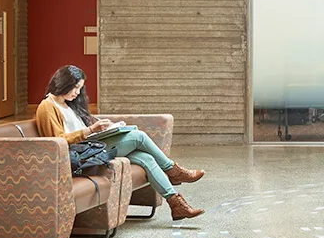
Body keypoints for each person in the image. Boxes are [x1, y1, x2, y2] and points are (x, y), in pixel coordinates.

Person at [34, 65, 206, 220]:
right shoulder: (47, 106)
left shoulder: (68, 104)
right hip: (80, 155)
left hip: (91, 147)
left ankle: (176, 204)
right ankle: (173, 170)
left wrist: (104, 128)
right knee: (138, 137)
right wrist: (90, 130)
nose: (78, 93)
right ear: (64, 83)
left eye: (80, 88)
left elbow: (80, 129)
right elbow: (58, 141)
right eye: (76, 87)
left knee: (146, 158)